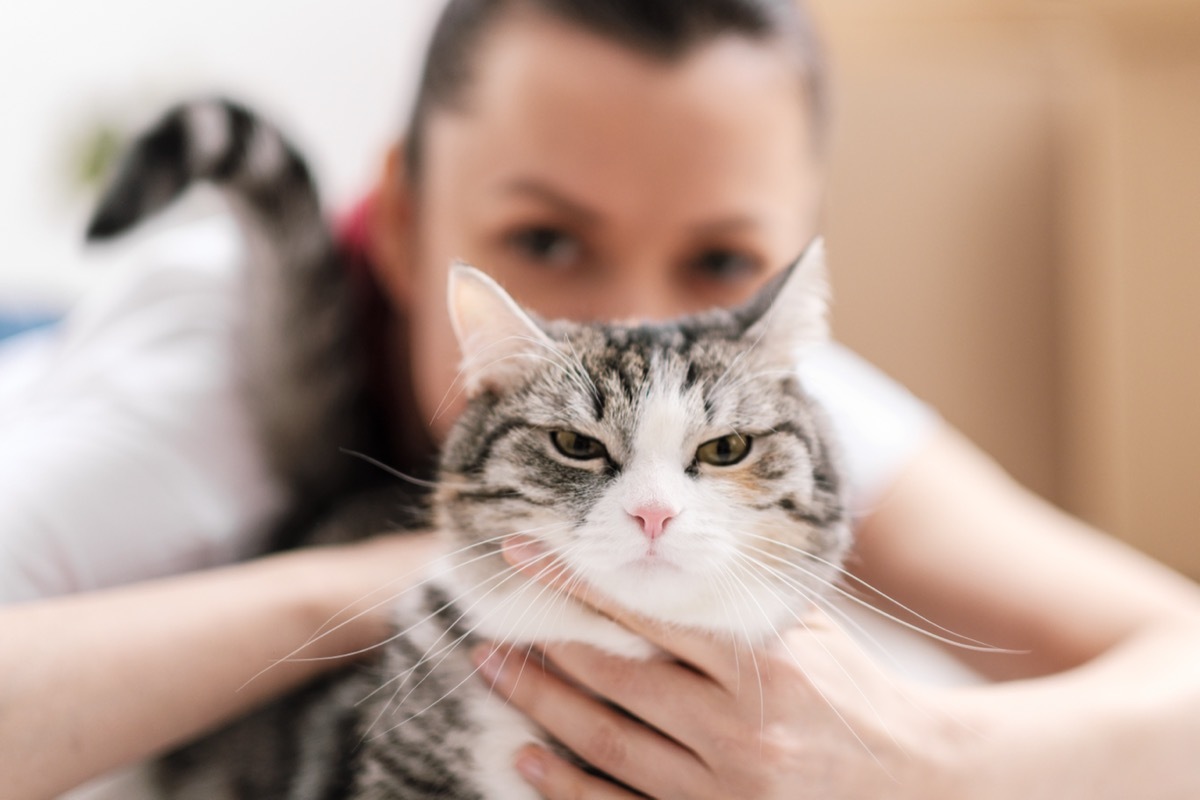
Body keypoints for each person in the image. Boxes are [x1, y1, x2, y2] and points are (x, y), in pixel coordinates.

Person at [2, 0, 1199, 797]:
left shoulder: (733, 395)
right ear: (410, 223)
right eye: (548, 238)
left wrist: (928, 756)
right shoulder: (195, 370)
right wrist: (393, 578)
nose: (637, 319)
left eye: (722, 258)